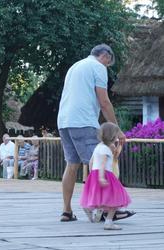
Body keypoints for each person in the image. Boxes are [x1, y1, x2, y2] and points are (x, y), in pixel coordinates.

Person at [57, 44, 133, 222]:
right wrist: (117, 129)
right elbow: (104, 101)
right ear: (105, 56)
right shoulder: (98, 67)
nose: (107, 66)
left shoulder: (75, 66)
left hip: (64, 121)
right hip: (83, 121)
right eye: (109, 63)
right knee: (100, 164)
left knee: (72, 164)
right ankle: (106, 210)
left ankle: (66, 211)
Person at [80, 122, 131, 230]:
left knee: (101, 198)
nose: (118, 137)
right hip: (105, 174)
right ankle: (108, 222)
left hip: (94, 173)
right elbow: (103, 163)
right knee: (114, 199)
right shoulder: (106, 149)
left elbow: (91, 162)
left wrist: (92, 174)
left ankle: (90, 209)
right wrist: (101, 177)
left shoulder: (98, 146)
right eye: (117, 135)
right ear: (112, 136)